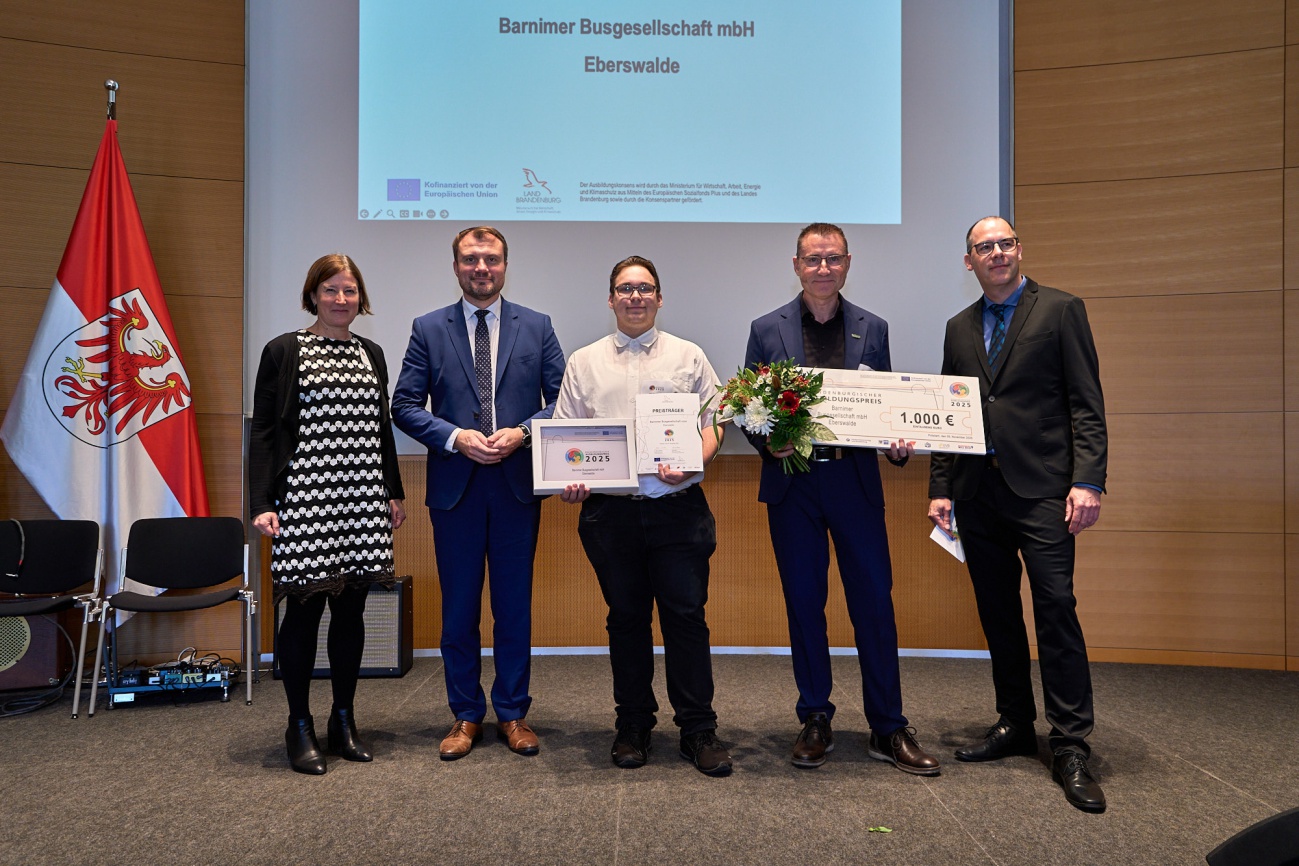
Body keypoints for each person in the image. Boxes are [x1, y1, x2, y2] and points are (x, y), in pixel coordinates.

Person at [744, 223, 939, 776]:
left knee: (874, 602)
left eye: (833, 259)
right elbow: (749, 410)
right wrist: (769, 442)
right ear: (797, 264)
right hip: (794, 486)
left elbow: (885, 409)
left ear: (848, 263)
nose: (823, 268)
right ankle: (815, 717)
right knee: (805, 604)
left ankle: (888, 725)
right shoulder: (766, 329)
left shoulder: (872, 328)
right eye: (813, 259)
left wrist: (898, 446)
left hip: (853, 481)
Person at [928, 216, 1108, 813]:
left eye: (1005, 244)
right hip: (980, 493)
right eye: (985, 247)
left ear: (1019, 251)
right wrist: (941, 487)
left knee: (1056, 607)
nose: (997, 253)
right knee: (998, 612)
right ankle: (1014, 723)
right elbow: (946, 415)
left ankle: (1071, 743)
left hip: (1044, 493)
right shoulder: (958, 327)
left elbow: (1087, 403)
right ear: (969, 261)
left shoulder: (1060, 310)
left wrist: (1087, 481)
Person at [391, 226, 564, 760]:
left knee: (513, 608)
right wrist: (454, 436)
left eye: (491, 259)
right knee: (459, 609)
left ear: (505, 266)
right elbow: (404, 404)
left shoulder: (537, 326)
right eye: (471, 259)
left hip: (515, 487)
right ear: (456, 266)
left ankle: (513, 713)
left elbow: (564, 400)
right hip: (455, 490)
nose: (481, 268)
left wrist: (524, 432)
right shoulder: (428, 327)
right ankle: (465, 714)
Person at [555, 255, 732, 776]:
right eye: (625, 289)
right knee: (626, 621)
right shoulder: (583, 362)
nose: (636, 297)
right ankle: (632, 724)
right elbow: (567, 437)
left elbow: (717, 419)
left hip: (678, 512)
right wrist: (571, 476)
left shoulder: (689, 355)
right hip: (611, 516)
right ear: (610, 299)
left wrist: (698, 457)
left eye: (645, 288)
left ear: (659, 297)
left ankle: (698, 728)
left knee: (686, 619)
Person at [250, 253, 406, 775]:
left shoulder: (373, 353)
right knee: (302, 615)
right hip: (306, 499)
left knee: (353, 613)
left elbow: (382, 432)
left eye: (350, 291)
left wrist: (393, 491)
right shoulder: (283, 351)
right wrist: (262, 503)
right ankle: (299, 724)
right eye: (332, 290)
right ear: (313, 294)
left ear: (361, 298)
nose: (342, 300)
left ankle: (343, 718)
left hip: (362, 495)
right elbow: (265, 433)